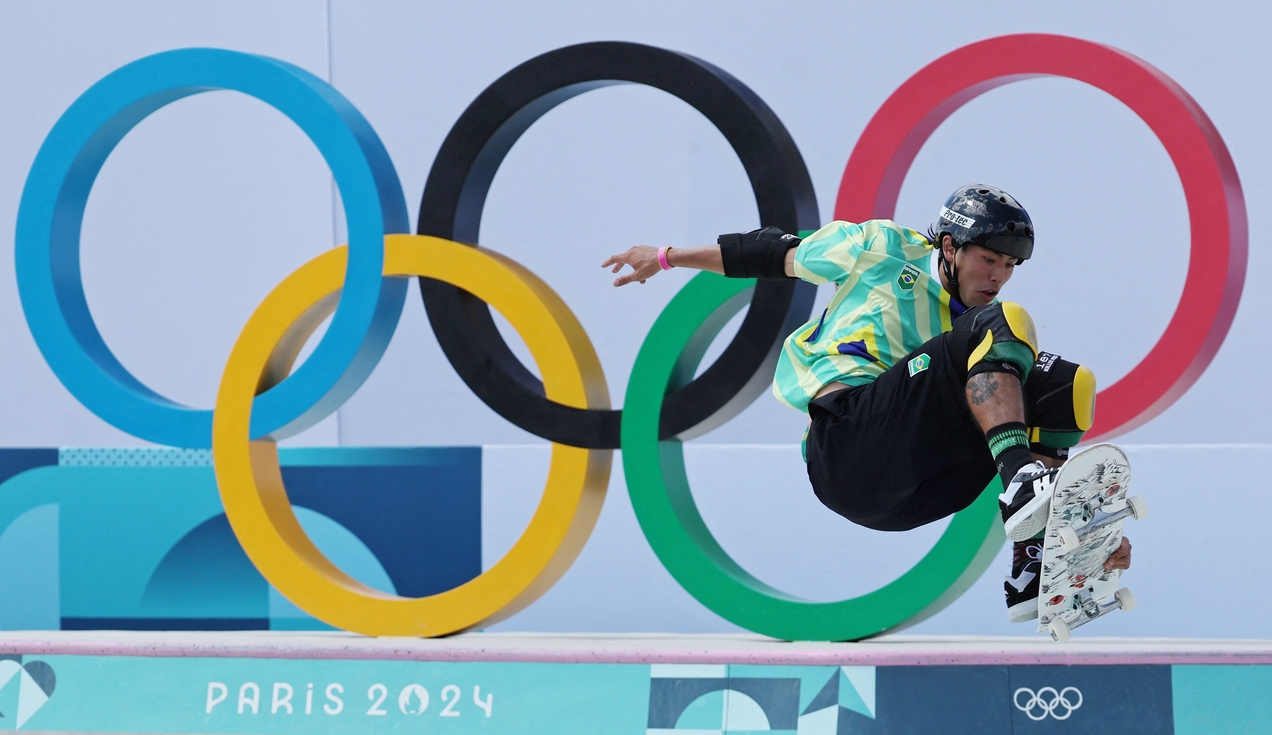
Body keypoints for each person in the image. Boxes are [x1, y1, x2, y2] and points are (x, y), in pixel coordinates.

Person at [602, 184, 1132, 623]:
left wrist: (1084, 527)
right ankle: (1021, 485)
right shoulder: (881, 248)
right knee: (1005, 326)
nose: (997, 276)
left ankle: (1040, 559)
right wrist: (667, 257)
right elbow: (773, 253)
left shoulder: (975, 332)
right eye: (987, 259)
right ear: (948, 247)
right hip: (847, 447)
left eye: (1010, 265)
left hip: (914, 493)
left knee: (1065, 385)